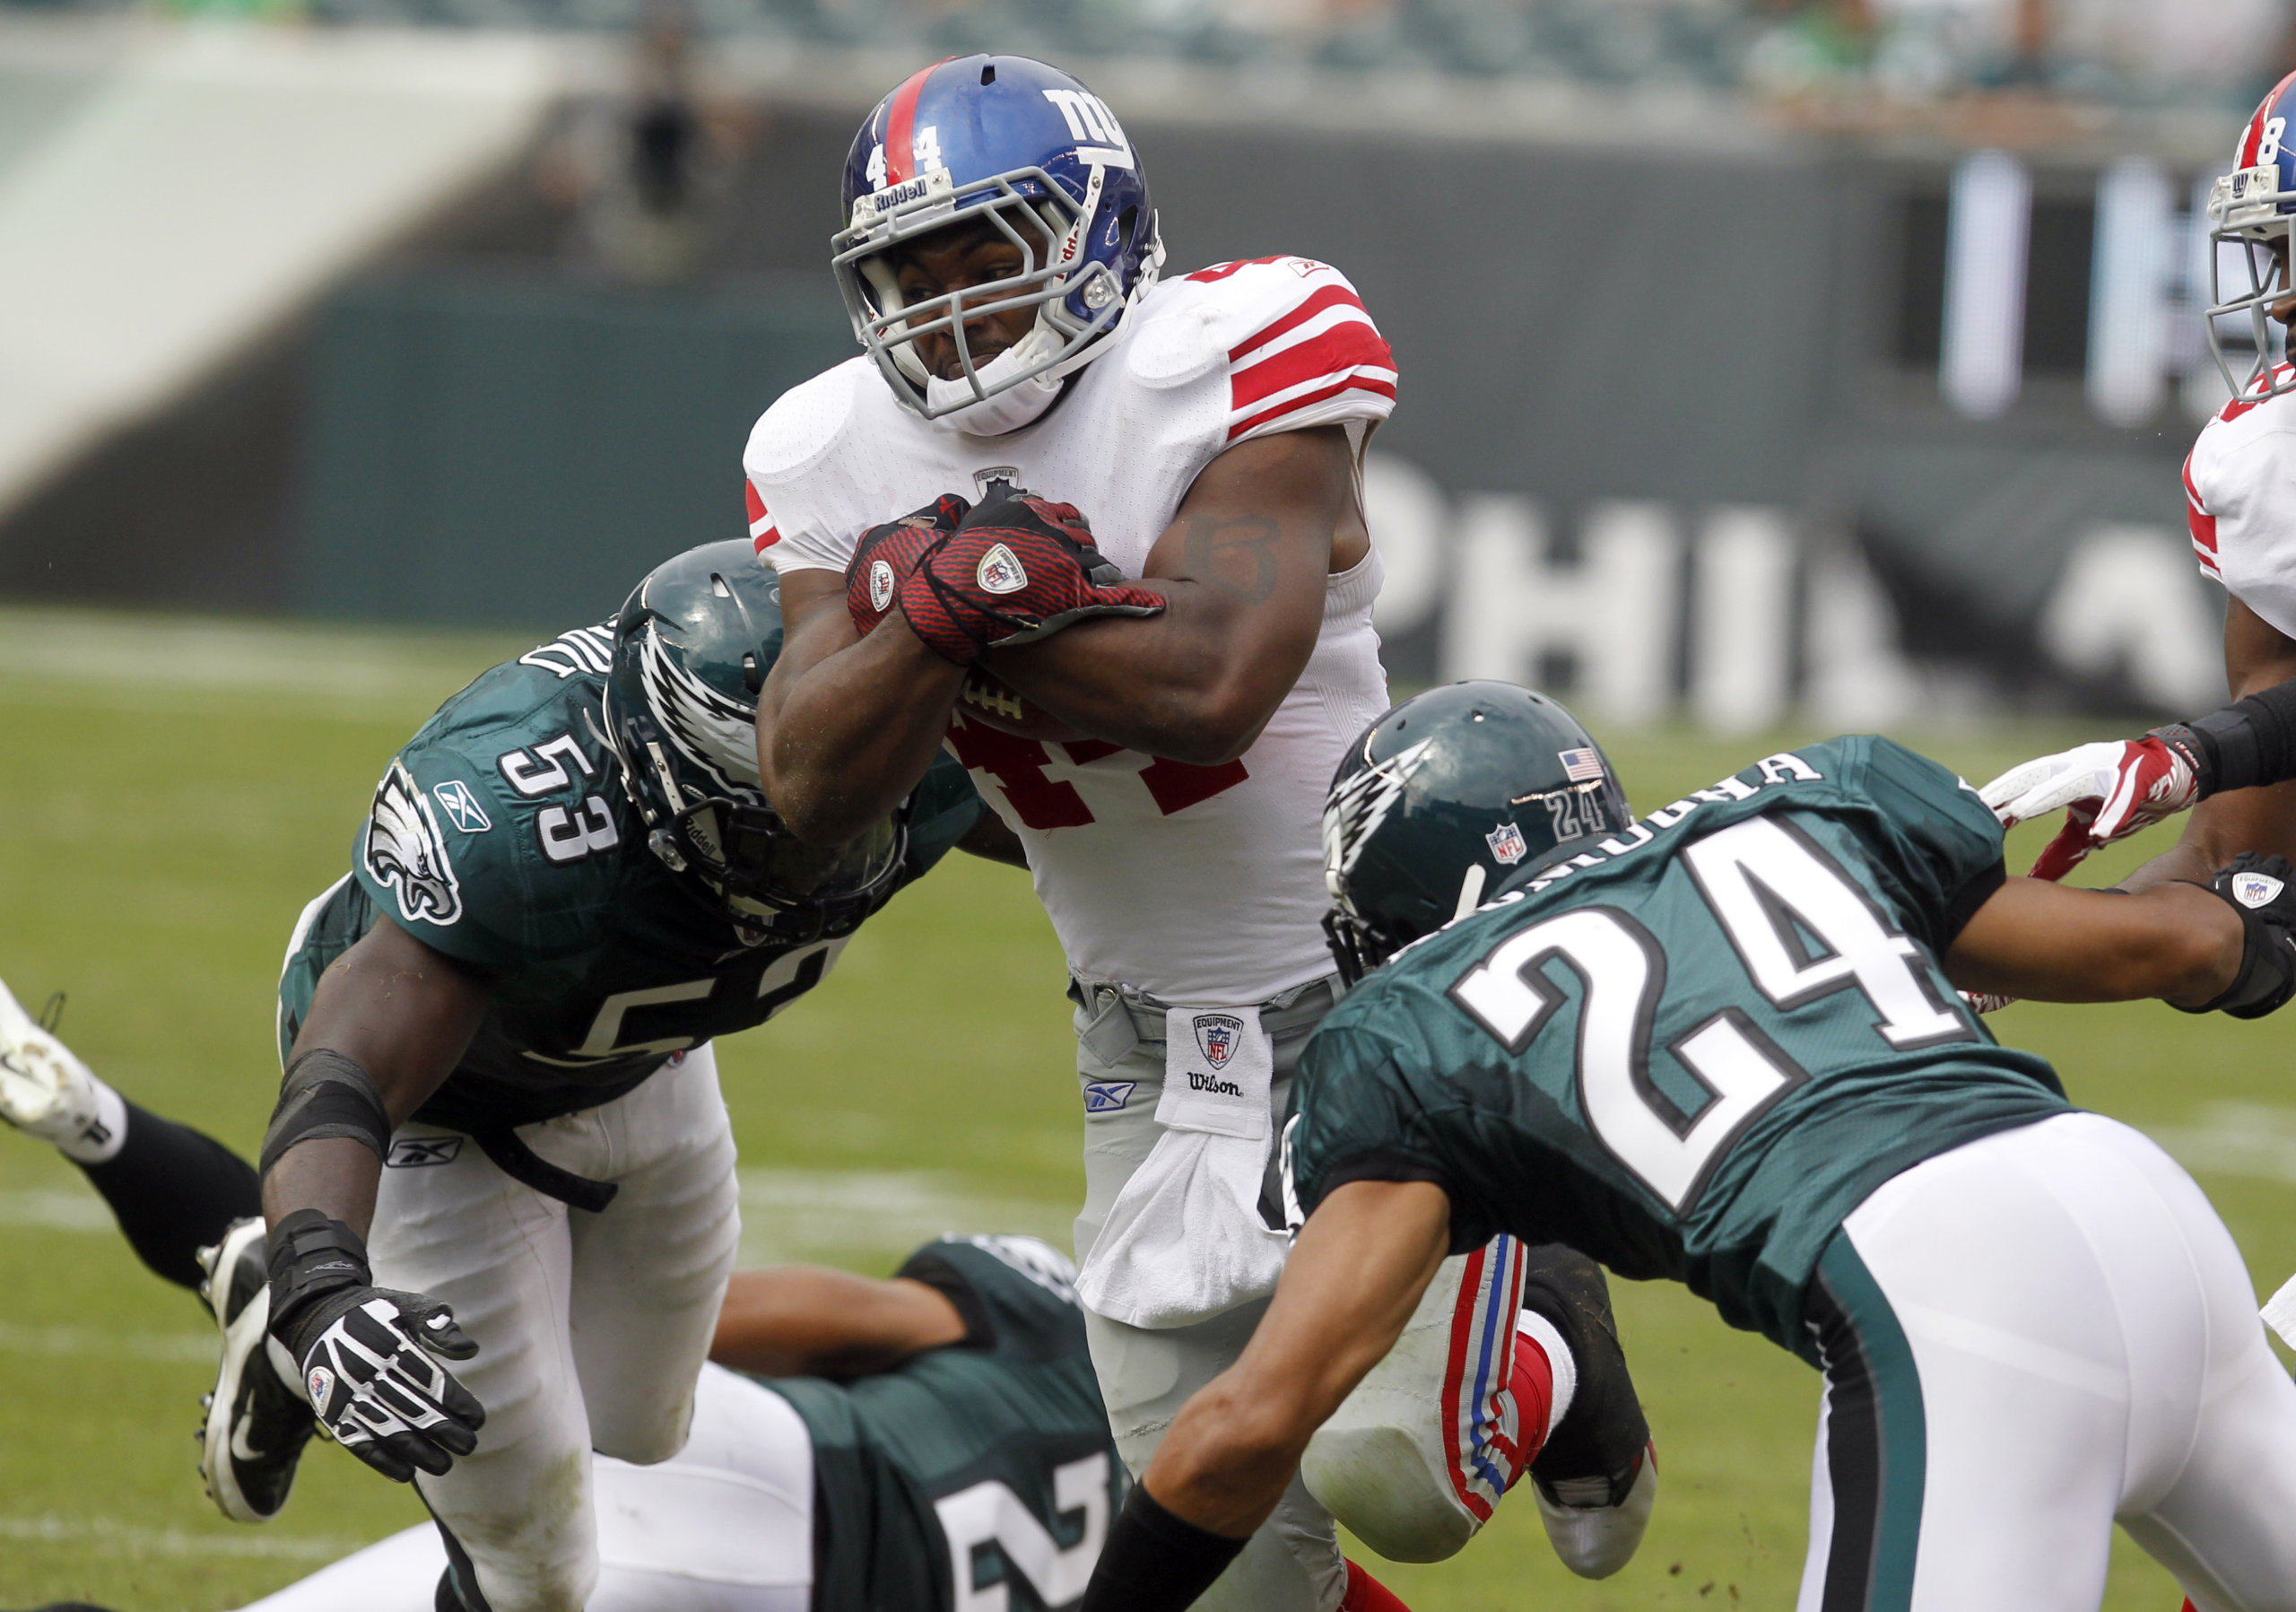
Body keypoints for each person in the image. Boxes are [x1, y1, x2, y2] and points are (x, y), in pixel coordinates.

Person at [741, 52, 1650, 1609]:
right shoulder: (822, 450)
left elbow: (1213, 679)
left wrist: (953, 615)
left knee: (1400, 1484)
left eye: (985, 257)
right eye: (908, 274)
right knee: (1226, 1565)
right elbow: (810, 785)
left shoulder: (1237, 353)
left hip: (1382, 1001)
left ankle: (1551, 1299)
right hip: (1145, 1045)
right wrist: (958, 610)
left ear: (1096, 237)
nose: (948, 311)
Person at [1077, 682, 2296, 1612]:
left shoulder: (1411, 1030)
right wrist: (2261, 933)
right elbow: (2175, 951)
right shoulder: (1807, 808)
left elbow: (1253, 1423)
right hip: (2142, 1209)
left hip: (1960, 1307)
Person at [0, 539, 1013, 1612]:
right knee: (539, 1573)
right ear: (666, 775)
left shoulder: (910, 756)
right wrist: (327, 1287)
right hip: (450, 1114)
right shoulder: (512, 822)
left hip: (642, 1066)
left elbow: (1119, 841)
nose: (823, 844)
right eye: (777, 819)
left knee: (642, 1428)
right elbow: (347, 1077)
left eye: (852, 797)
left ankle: (267, 1304)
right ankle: (289, 1293)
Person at [0, 1034, 1118, 1612]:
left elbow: (842, 1320)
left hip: (757, 1453)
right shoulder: (1232, 1512)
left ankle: (126, 1149)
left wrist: (566, 1361)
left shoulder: (1085, 1335)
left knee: (401, 1330)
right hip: (776, 1563)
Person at [1978, 71, 2296, 886]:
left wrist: (2191, 754)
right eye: (2276, 253)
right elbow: (2240, 876)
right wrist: (1973, 948)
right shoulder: (2271, 454)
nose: (2284, 303)